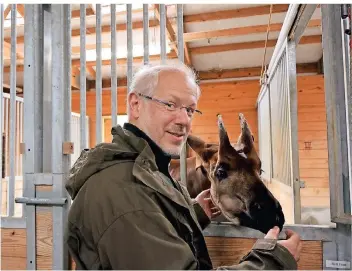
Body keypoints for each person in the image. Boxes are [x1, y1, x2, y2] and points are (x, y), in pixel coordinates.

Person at [64, 62, 301, 270]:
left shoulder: (150, 171)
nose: (184, 120)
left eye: (189, 109)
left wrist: (192, 215)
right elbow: (138, 216)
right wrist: (273, 262)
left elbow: (150, 234)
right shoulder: (122, 193)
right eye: (170, 104)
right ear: (135, 105)